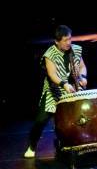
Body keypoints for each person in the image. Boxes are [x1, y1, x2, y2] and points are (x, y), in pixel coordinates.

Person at [25, 25, 87, 158]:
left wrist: (83, 77)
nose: (68, 43)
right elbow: (52, 74)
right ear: (57, 41)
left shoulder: (75, 50)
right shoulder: (50, 54)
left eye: (70, 39)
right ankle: (32, 145)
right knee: (41, 120)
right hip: (54, 90)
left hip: (72, 88)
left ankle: (78, 143)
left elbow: (82, 66)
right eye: (65, 40)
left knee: (78, 118)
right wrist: (64, 84)